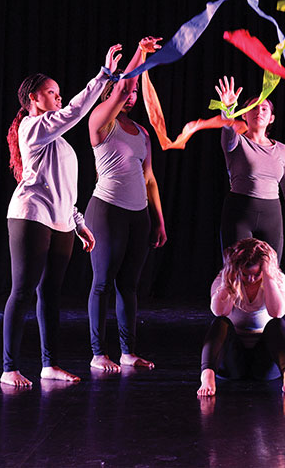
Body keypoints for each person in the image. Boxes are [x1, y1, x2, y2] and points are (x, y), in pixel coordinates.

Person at [2, 44, 123, 387]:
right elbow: (74, 111)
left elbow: (64, 188)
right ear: (33, 98)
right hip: (30, 216)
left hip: (61, 222)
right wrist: (104, 76)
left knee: (51, 295)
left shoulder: (59, 142)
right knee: (23, 291)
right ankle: (9, 368)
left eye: (59, 92)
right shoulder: (32, 127)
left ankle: (49, 365)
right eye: (51, 92)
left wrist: (79, 223)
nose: (58, 97)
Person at [85, 37, 167, 373]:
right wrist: (140, 54)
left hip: (138, 215)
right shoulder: (100, 121)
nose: (131, 95)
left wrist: (158, 219)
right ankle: (97, 353)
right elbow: (122, 88)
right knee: (103, 282)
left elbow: (149, 179)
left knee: (129, 286)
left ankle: (128, 352)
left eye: (134, 93)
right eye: (126, 90)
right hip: (107, 211)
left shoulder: (142, 133)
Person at [214, 76, 285, 263]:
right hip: (239, 213)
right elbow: (227, 128)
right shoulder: (236, 142)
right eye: (253, 107)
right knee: (237, 272)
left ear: (271, 118)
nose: (259, 111)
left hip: (271, 216)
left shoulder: (282, 151)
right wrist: (227, 109)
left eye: (264, 108)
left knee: (270, 273)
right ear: (244, 114)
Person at [197, 238, 285, 398]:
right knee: (220, 322)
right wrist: (231, 279)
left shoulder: (278, 280)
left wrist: (267, 275)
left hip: (264, 361)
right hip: (233, 360)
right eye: (245, 275)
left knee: (277, 324)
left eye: (256, 274)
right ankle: (207, 377)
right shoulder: (224, 279)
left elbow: (277, 312)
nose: (251, 279)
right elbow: (219, 311)